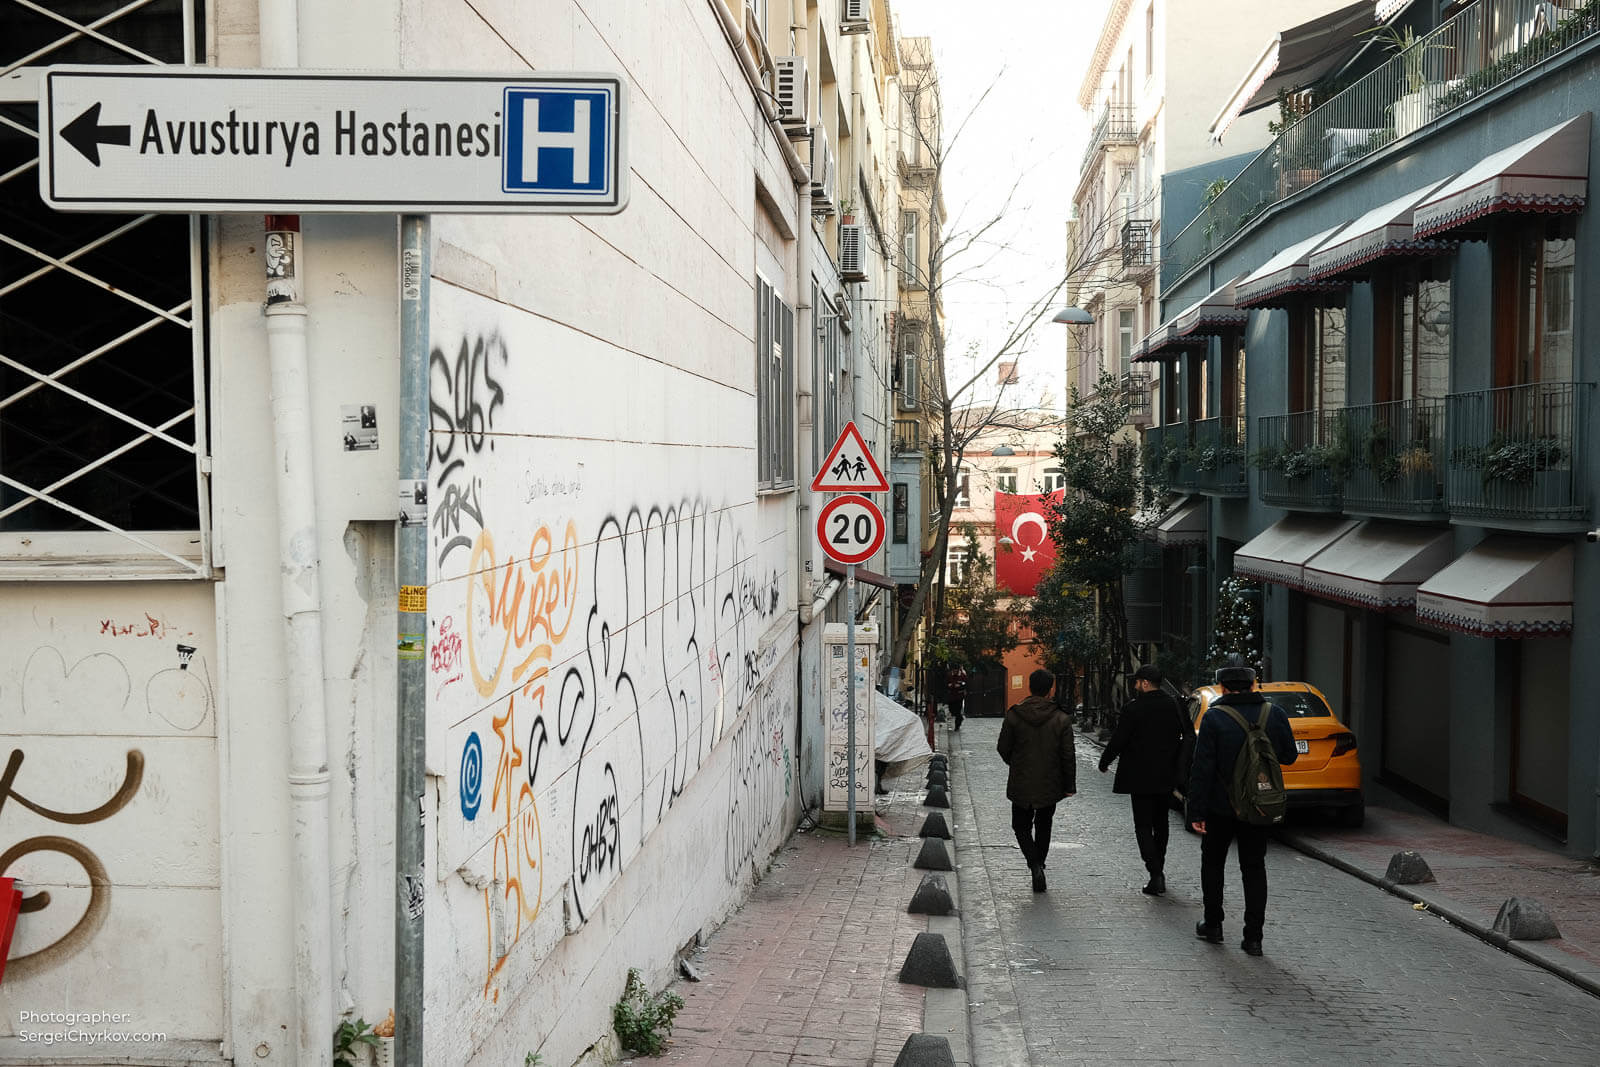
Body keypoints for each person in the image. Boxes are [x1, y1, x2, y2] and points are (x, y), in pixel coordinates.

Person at [1186, 655, 1298, 956]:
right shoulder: (1273, 714)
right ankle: (1253, 937)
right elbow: (1289, 757)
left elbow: (1202, 768)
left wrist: (1195, 811)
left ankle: (1213, 924)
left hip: (1219, 807)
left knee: (1213, 864)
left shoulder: (1213, 717)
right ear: (1252, 684)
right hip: (1258, 807)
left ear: (1222, 686)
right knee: (1254, 867)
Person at [1098, 664, 1193, 896]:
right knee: (1161, 824)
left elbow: (1119, 739)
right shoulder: (1174, 705)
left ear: (1146, 683)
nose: (1135, 686)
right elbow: (1189, 735)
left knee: (1143, 825)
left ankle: (1155, 872)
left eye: (1137, 682)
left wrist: (1105, 761)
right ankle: (1158, 869)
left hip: (1139, 776)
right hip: (1166, 774)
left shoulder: (1134, 708)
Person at [997, 668, 1077, 892]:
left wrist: (1017, 764)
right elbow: (1068, 755)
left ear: (1029, 687)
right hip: (1050, 783)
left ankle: (1033, 864)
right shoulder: (1061, 718)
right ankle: (1039, 863)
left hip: (1021, 781)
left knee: (1020, 825)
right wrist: (1069, 785)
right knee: (1044, 825)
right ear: (1050, 689)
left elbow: (1003, 748)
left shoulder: (1014, 715)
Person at [946, 664, 969, 731]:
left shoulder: (962, 675)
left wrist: (960, 685)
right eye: (954, 670)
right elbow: (946, 683)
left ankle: (957, 725)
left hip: (959, 695)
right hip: (951, 696)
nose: (955, 671)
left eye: (956, 670)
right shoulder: (949, 675)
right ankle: (960, 718)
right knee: (951, 710)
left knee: (958, 710)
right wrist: (950, 685)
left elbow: (965, 683)